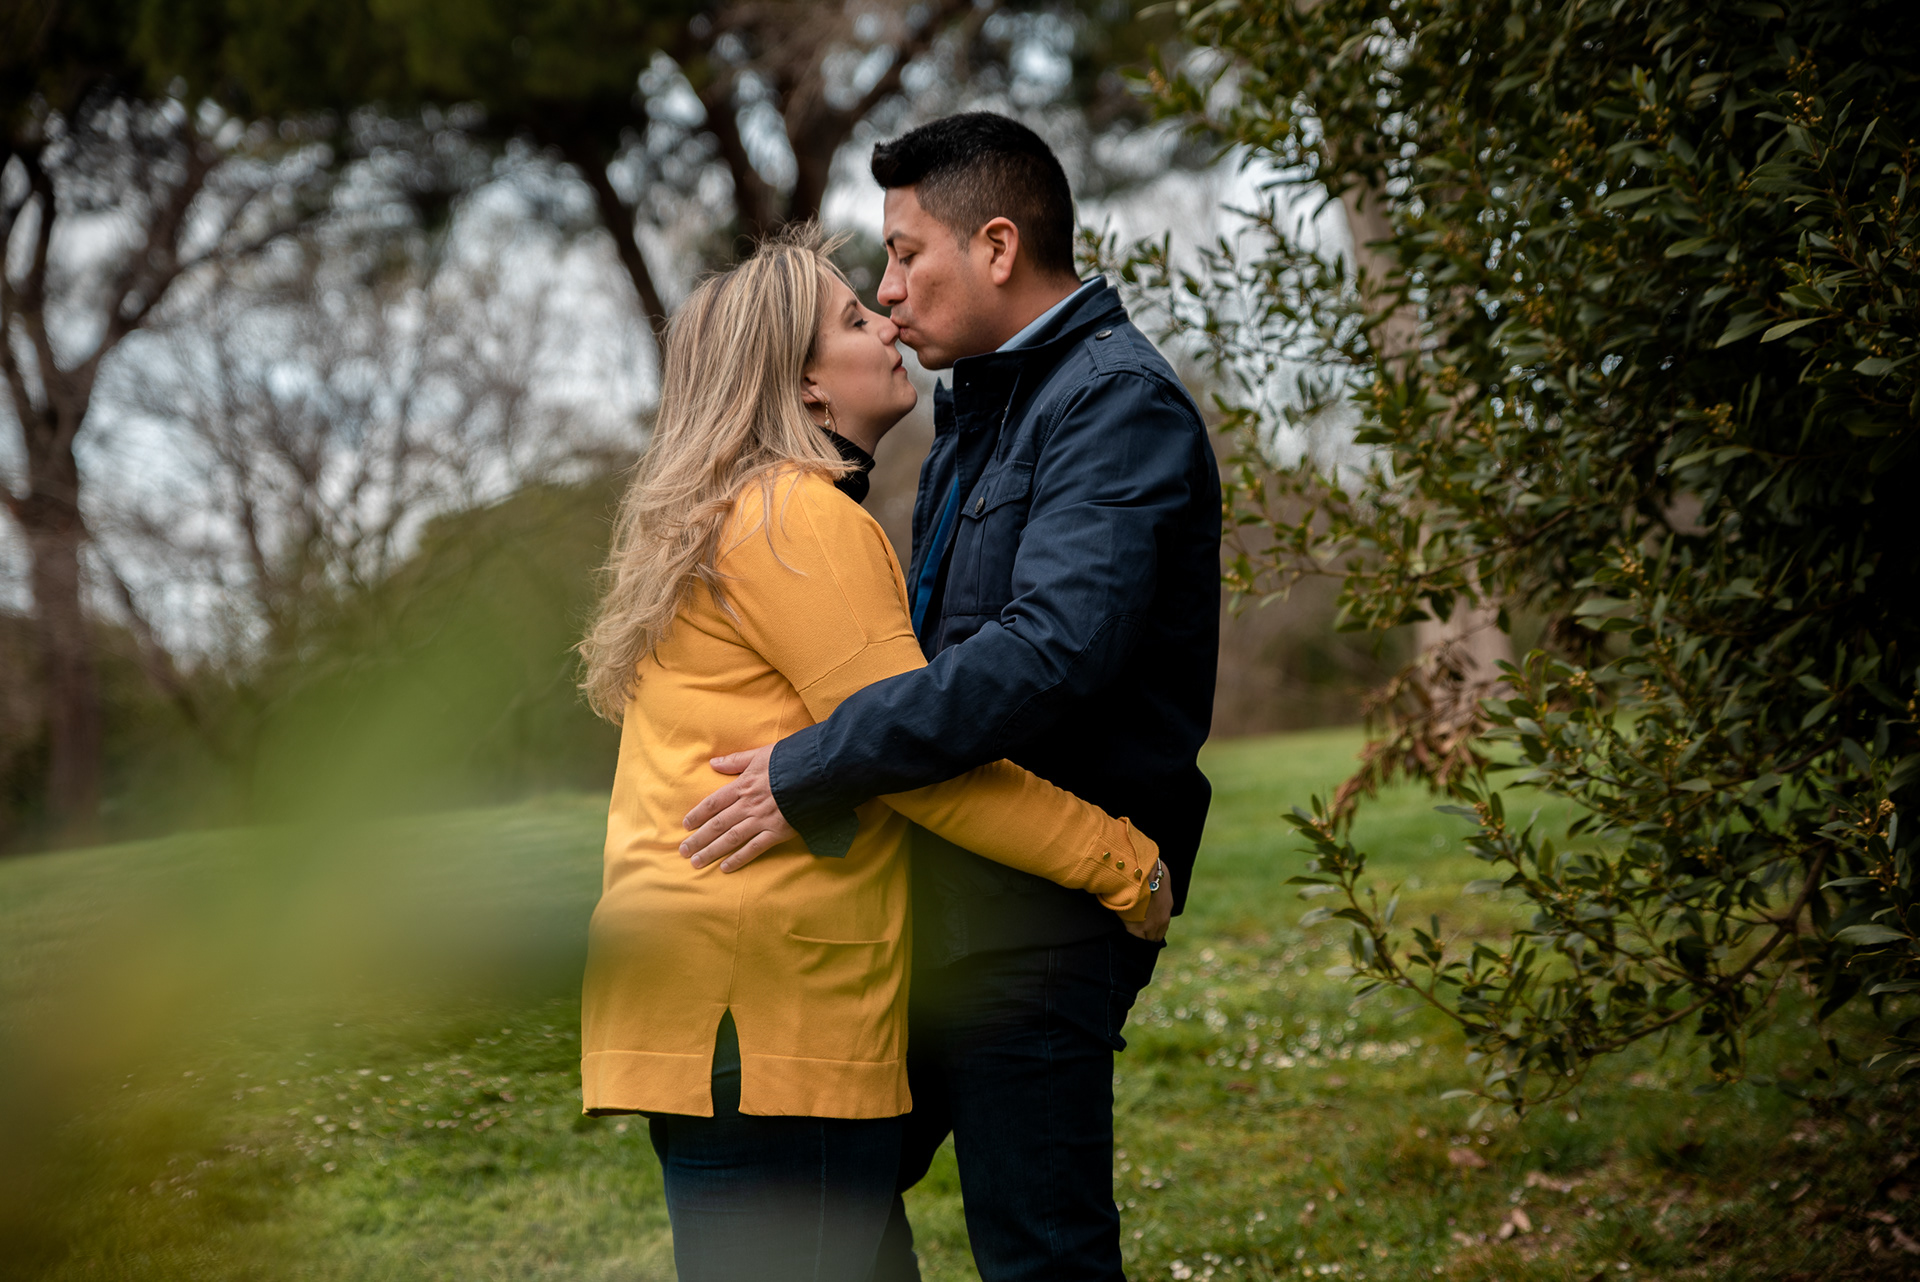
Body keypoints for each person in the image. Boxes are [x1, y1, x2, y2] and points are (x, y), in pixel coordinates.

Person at [679, 114, 1222, 1281]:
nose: (889, 288)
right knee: (825, 1204)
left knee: (1041, 1251)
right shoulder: (987, 408)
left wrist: (814, 765)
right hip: (939, 908)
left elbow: (1049, 653)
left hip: (1037, 925)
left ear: (994, 245)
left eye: (906, 253)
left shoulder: (1111, 406)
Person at [575, 224, 1167, 1282]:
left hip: (721, 1008)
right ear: (805, 387)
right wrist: (1119, 859)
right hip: (769, 1013)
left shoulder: (729, 517)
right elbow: (918, 750)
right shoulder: (797, 521)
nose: (887, 320)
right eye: (855, 319)